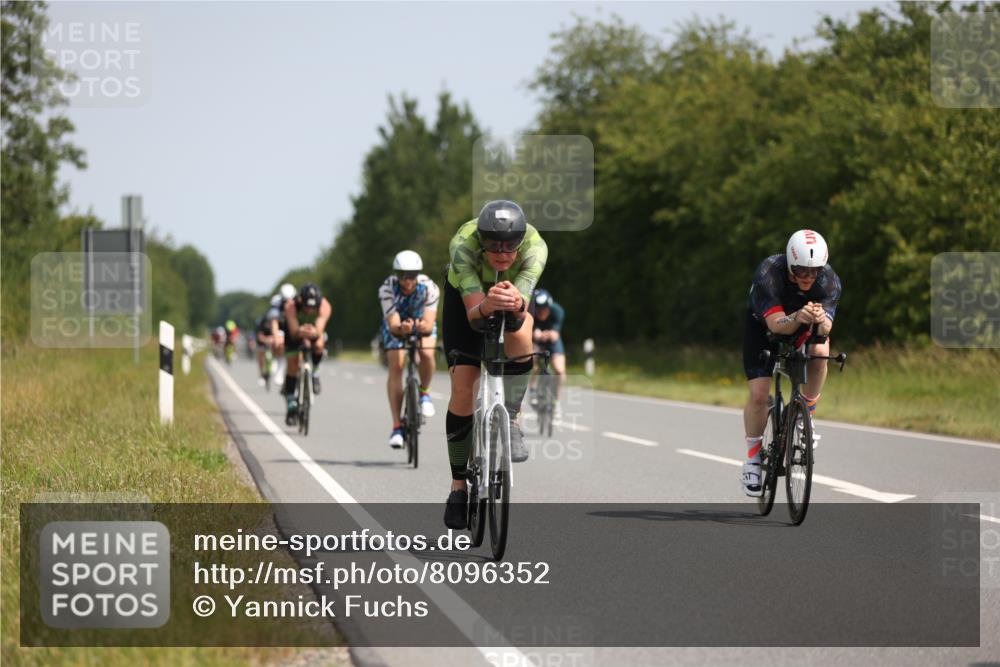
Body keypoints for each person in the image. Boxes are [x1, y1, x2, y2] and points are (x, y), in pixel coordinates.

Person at [441, 200, 547, 529]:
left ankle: (512, 418)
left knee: (521, 332)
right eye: (493, 246)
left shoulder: (535, 247)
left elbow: (522, 308)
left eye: (509, 246)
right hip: (467, 303)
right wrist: (487, 303)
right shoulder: (463, 246)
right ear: (481, 240)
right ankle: (458, 487)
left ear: (520, 240)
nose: (502, 253)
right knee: (463, 389)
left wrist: (515, 304)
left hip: (510, 295)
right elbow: (474, 314)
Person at [741, 229, 841, 497]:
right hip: (764, 328)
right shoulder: (769, 273)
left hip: (801, 323)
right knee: (760, 394)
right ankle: (752, 457)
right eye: (800, 271)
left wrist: (820, 319)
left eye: (814, 271)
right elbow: (776, 325)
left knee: (820, 350)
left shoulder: (828, 280)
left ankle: (805, 412)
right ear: (788, 263)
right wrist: (798, 315)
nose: (808, 277)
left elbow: (827, 327)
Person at [379, 250, 441, 448]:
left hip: (421, 323)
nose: (407, 281)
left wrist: (420, 326)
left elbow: (430, 324)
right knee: (396, 365)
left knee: (426, 353)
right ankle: (397, 426)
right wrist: (401, 328)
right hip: (396, 326)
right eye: (403, 276)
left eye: (412, 275)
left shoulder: (429, 287)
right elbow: (394, 324)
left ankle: (424, 393)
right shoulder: (387, 289)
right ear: (396, 275)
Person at [281, 283, 332, 425]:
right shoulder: (290, 306)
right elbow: (293, 330)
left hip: (314, 330)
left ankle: (315, 372)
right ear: (300, 301)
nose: (310, 310)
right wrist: (300, 332)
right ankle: (291, 404)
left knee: (319, 345)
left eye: (312, 307)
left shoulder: (324, 305)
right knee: (293, 364)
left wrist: (313, 333)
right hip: (295, 331)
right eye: (306, 307)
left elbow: (320, 327)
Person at [528, 289, 566, 413]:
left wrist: (546, 334)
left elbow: (555, 335)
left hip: (552, 341)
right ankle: (532, 388)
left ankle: (557, 400)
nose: (542, 312)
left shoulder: (558, 311)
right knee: (531, 361)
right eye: (538, 309)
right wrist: (536, 335)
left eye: (544, 309)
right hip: (536, 341)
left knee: (559, 370)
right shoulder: (531, 312)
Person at [255, 295, 285, 386]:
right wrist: (265, 339)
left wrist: (275, 338)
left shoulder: (282, 318)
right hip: (264, 339)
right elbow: (259, 334)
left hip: (274, 339)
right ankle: (261, 374)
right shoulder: (264, 318)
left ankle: (277, 363)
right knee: (261, 353)